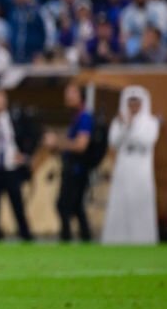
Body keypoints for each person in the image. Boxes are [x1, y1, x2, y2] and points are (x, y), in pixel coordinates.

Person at [0, 89, 39, 241]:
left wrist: (26, 155)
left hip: (12, 169)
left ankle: (25, 233)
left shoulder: (15, 120)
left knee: (17, 203)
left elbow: (34, 135)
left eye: (0, 98)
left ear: (6, 101)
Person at [103, 86, 160, 245]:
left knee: (140, 204)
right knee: (120, 202)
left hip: (141, 168)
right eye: (130, 102)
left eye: (137, 102)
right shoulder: (119, 121)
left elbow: (146, 141)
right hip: (123, 165)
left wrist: (130, 126)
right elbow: (113, 141)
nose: (133, 105)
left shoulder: (151, 122)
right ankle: (116, 239)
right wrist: (125, 126)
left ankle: (143, 239)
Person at [44, 84, 94, 242]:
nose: (68, 97)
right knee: (76, 207)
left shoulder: (85, 118)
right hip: (71, 168)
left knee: (64, 205)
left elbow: (81, 145)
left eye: (72, 93)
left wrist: (57, 142)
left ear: (81, 96)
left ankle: (67, 238)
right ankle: (85, 239)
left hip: (77, 170)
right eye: (67, 94)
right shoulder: (75, 118)